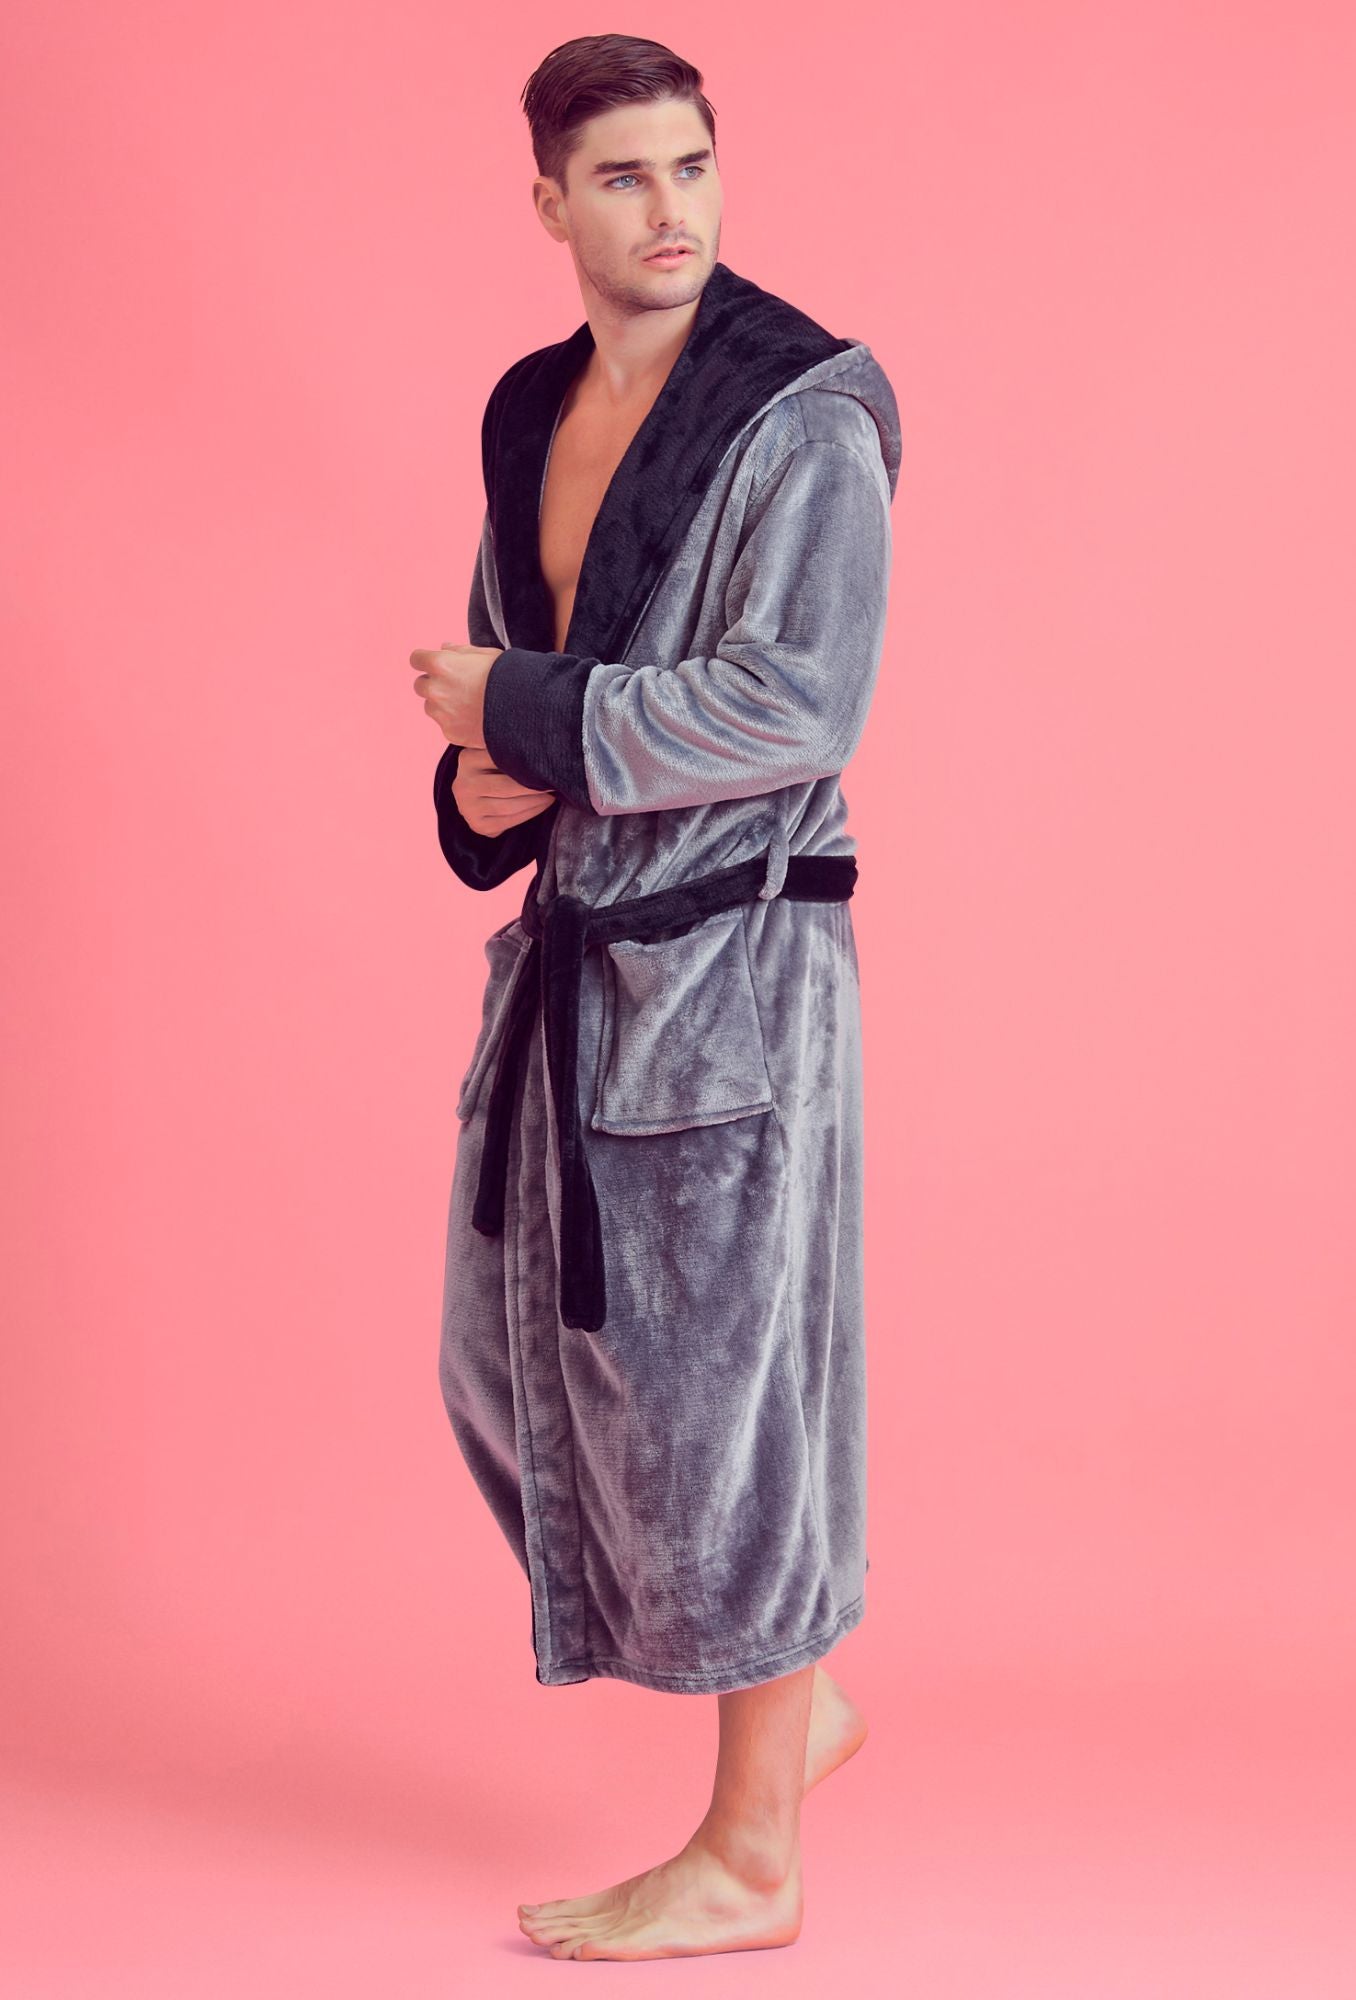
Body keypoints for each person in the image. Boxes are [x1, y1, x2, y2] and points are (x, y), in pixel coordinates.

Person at [409, 32, 899, 1962]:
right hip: (574, 959)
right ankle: (802, 1704)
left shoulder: (802, 413)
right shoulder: (530, 409)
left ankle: (752, 1850)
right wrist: (483, 779)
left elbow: (797, 705)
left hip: (732, 975)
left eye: (692, 164)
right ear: (551, 202)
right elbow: (508, 667)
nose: (670, 207)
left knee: (725, 1409)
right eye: (622, 176)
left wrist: (528, 716)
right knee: (502, 1357)